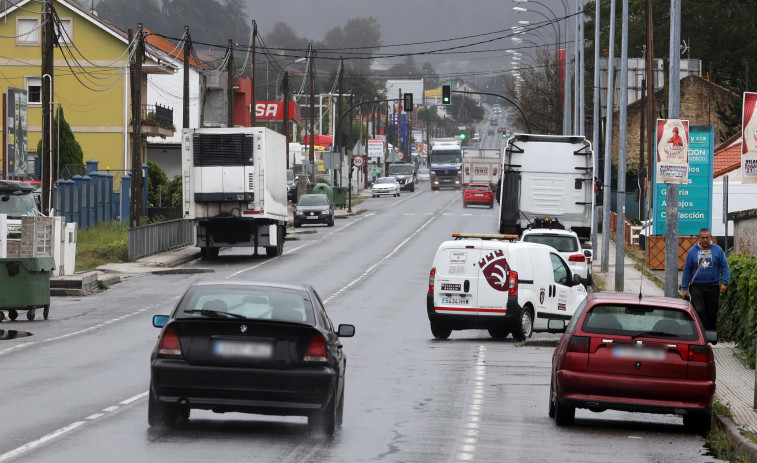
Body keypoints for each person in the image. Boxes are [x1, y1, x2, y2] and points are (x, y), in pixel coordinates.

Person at [681, 228, 730, 331]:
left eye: (707, 237)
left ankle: (711, 333)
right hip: (697, 287)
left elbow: (724, 266)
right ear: (699, 238)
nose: (705, 240)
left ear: (710, 237)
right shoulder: (692, 251)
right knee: (699, 310)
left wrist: (724, 283)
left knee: (712, 312)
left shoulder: (718, 250)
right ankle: (701, 333)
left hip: (713, 286)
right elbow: (687, 270)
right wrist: (685, 288)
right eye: (703, 237)